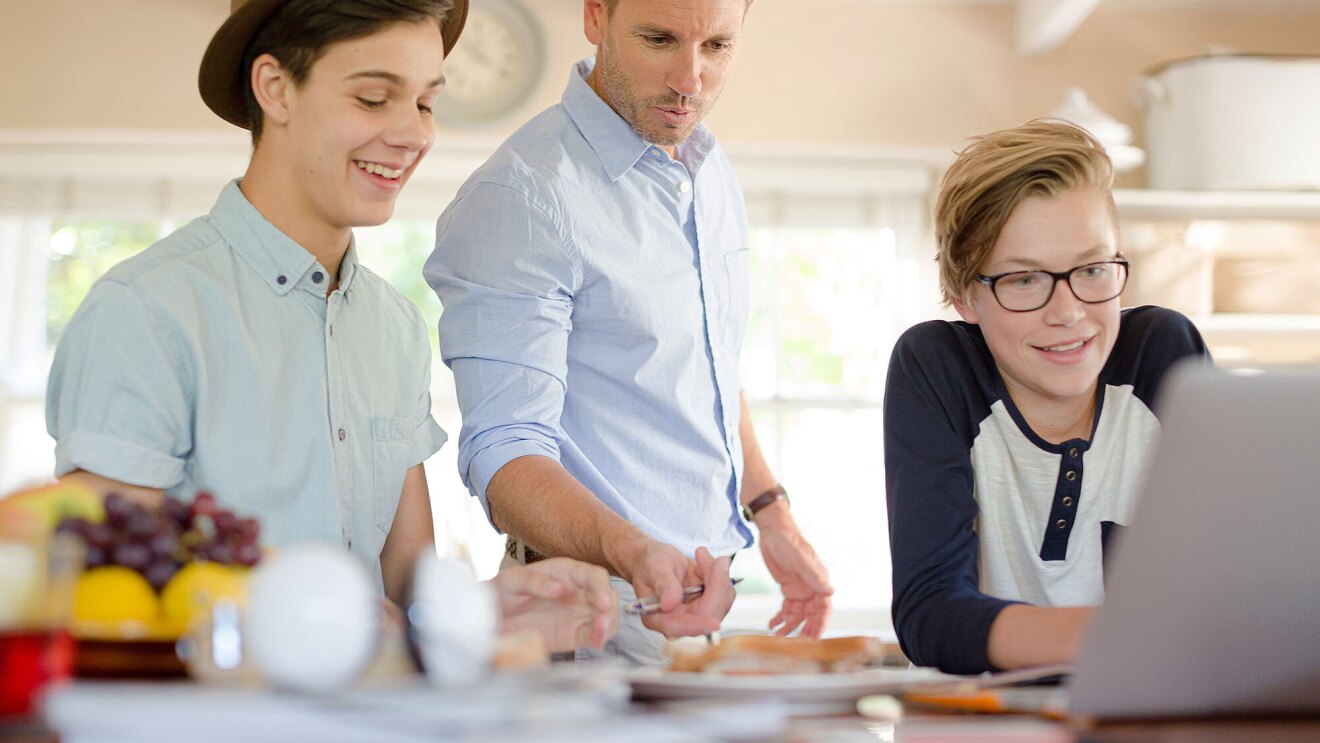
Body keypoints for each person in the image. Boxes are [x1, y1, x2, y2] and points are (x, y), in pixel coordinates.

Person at [43, 0, 618, 652]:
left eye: (426, 104)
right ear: (275, 88)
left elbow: (407, 586)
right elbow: (109, 604)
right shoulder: (144, 311)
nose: (414, 134)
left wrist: (487, 608)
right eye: (374, 98)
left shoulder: (393, 327)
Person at [424, 0, 833, 664]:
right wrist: (632, 548)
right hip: (582, 620)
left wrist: (771, 512)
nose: (689, 80)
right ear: (596, 18)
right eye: (659, 39)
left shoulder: (706, 166)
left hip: (699, 614)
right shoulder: (523, 195)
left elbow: (709, 364)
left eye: (718, 47)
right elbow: (504, 451)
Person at [884, 120, 1210, 675]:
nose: (1068, 311)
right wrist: (1140, 634)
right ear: (965, 295)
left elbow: (1225, 577)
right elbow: (930, 615)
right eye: (1024, 280)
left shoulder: (1162, 354)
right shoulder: (936, 367)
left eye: (1091, 269)